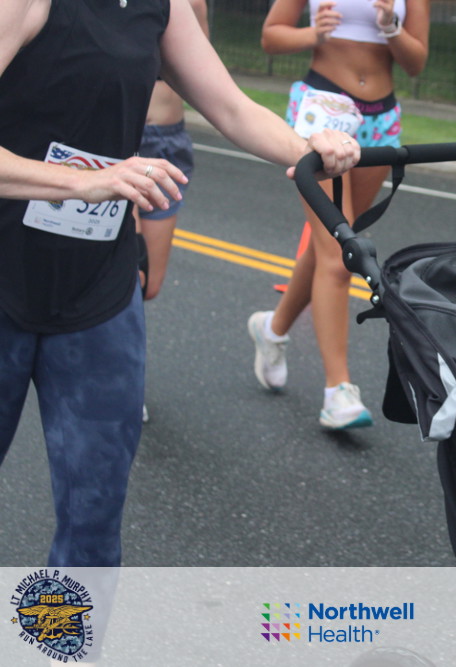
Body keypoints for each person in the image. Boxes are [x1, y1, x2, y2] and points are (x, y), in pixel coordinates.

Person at [0, 0, 360, 568]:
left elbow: (231, 107)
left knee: (93, 520)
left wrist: (307, 150)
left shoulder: (158, 6)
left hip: (97, 288)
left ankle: (60, 629)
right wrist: (78, 182)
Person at [247, 0, 430, 430]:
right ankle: (338, 391)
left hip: (381, 117)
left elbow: (416, 63)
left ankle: (272, 328)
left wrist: (391, 27)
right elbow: (271, 37)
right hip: (323, 107)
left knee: (330, 243)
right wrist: (314, 33)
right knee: (339, 253)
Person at [135, 0, 210, 303]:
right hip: (115, 142)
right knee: (129, 272)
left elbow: (203, 78)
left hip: (165, 143)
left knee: (149, 283)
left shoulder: (189, 4)